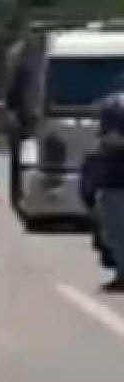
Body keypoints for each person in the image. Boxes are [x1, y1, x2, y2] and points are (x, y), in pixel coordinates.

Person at [81, 92, 124, 291]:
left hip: (115, 185)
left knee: (115, 233)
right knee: (111, 234)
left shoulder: (110, 142)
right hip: (111, 184)